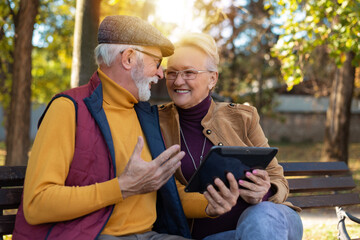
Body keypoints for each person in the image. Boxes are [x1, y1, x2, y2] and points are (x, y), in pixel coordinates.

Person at [12, 16, 238, 240]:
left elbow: (166, 187)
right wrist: (121, 187)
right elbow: (36, 204)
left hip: (151, 235)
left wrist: (209, 205)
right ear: (129, 58)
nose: (161, 74)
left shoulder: (146, 116)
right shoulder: (68, 109)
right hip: (93, 235)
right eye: (157, 63)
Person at [158, 32, 304, 240]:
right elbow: (166, 193)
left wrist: (264, 191)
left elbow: (277, 177)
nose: (178, 81)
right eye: (171, 72)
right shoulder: (155, 123)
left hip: (271, 220)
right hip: (215, 235)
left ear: (212, 78)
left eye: (189, 72)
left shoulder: (243, 118)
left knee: (260, 218)